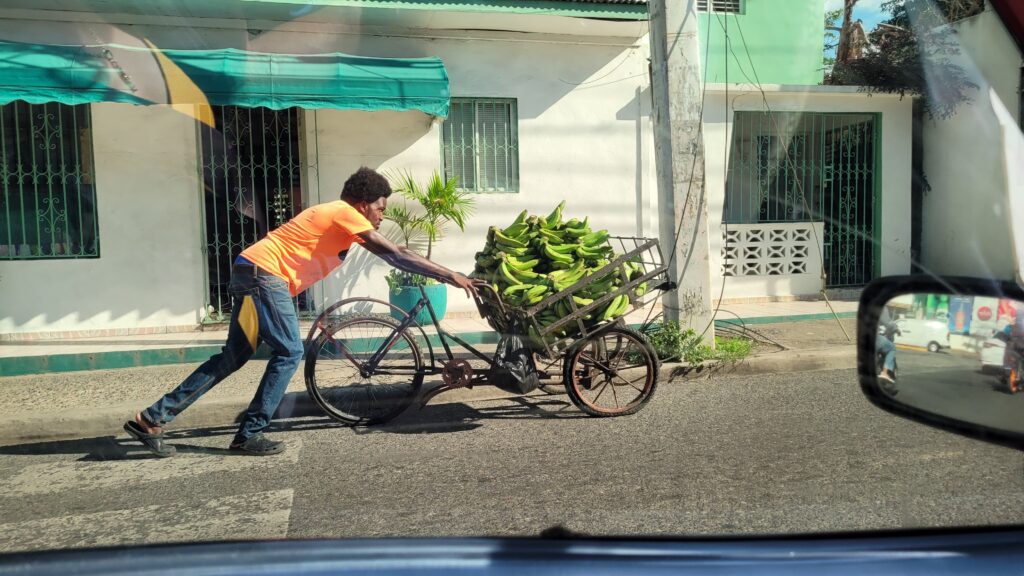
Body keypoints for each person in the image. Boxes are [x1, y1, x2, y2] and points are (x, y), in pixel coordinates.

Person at [124, 167, 479, 457]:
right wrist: (449, 275)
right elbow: (394, 255)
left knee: (233, 357)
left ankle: (151, 419)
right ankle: (250, 434)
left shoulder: (344, 221)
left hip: (253, 273)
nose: (382, 216)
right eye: (380, 208)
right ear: (362, 204)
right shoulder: (343, 213)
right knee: (290, 351)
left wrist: (445, 271)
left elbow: (395, 249)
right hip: (264, 277)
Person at [876, 305, 899, 384]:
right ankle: (884, 373)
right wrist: (897, 329)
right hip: (875, 338)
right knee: (892, 348)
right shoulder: (881, 305)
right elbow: (888, 323)